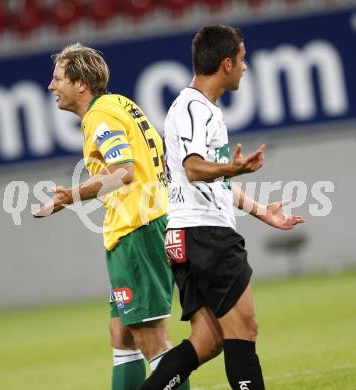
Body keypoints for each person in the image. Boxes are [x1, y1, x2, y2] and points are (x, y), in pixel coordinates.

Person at [140, 25, 305, 390]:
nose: (245, 67)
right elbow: (194, 168)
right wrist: (233, 167)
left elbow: (209, 181)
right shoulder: (194, 108)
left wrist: (260, 209)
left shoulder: (198, 109)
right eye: (243, 59)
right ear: (227, 63)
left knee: (209, 340)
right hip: (206, 238)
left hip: (186, 236)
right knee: (244, 329)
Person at [33, 43, 190, 390]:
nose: (51, 86)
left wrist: (69, 196)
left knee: (152, 339)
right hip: (143, 225)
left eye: (58, 78)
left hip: (138, 231)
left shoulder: (99, 117)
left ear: (81, 85)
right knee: (121, 335)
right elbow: (158, 158)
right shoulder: (122, 105)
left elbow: (124, 172)